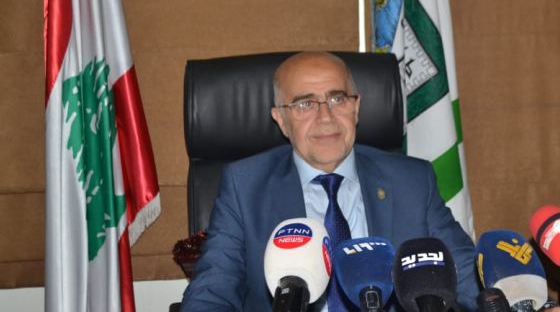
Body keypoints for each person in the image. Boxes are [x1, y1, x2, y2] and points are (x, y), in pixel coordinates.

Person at [181, 51, 479, 312]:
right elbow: (211, 293)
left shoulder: (412, 181)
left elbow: (468, 276)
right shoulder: (245, 187)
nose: (325, 117)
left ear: (356, 108)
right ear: (281, 119)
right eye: (305, 104)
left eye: (337, 99)